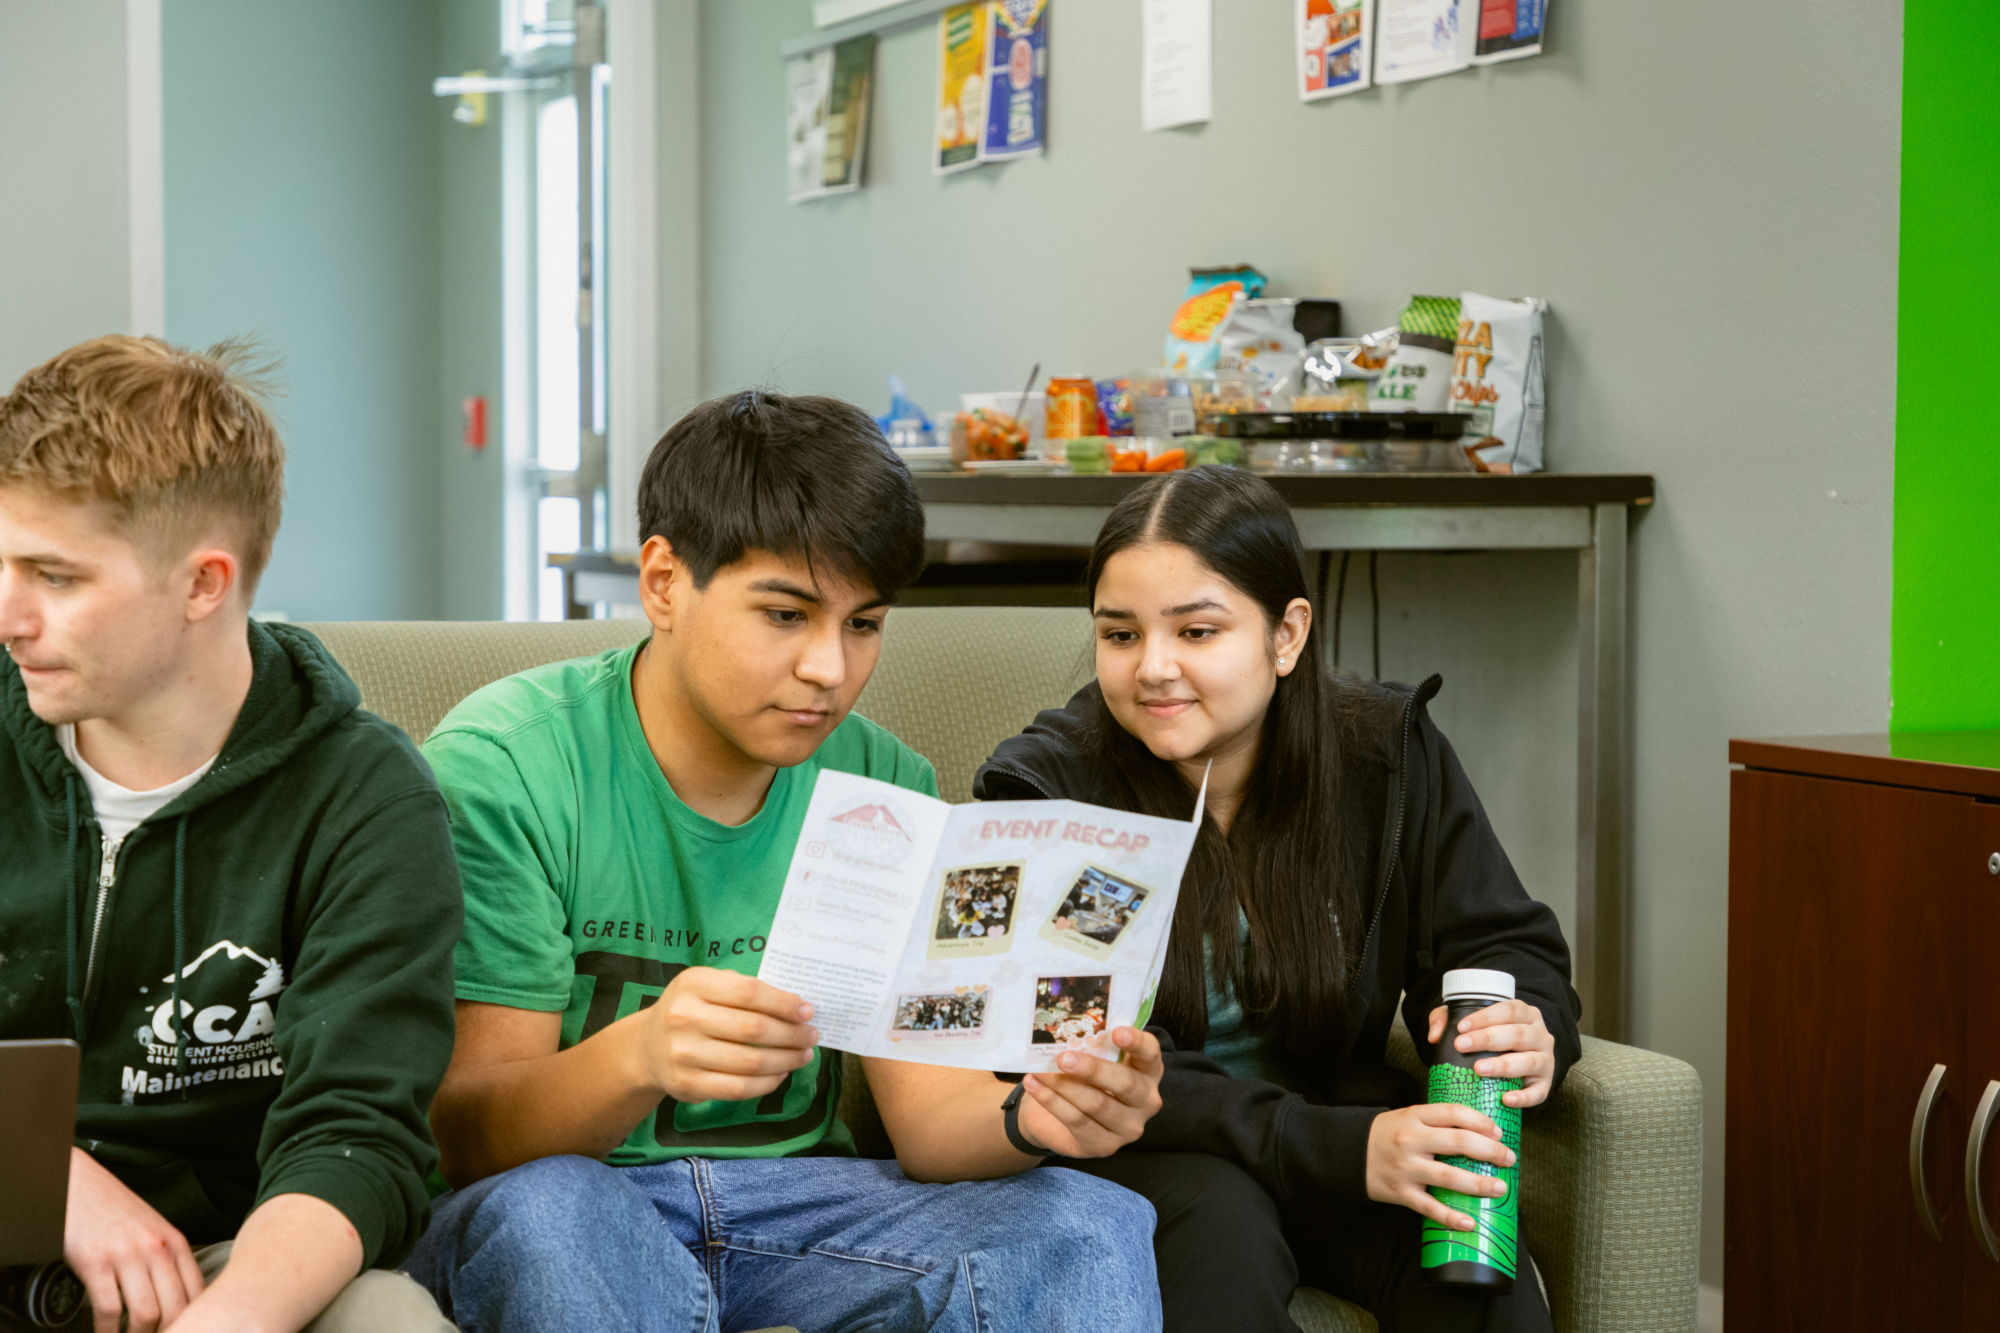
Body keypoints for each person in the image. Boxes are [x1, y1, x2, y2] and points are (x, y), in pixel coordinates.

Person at [405, 390, 1165, 1333]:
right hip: (568, 1200)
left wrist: (1036, 1116)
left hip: (808, 1208)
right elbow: (471, 1136)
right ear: (663, 583)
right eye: (785, 614)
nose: (829, 669)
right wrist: (639, 1055)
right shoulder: (510, 766)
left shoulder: (888, 781)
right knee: (553, 1216)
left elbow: (927, 1124)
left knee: (1089, 1222)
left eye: (863, 624)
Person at [973, 465, 1582, 1333]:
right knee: (1223, 1225)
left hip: (1337, 1128)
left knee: (1473, 1248)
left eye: (1197, 630)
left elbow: (1503, 939)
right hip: (1150, 1152)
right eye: (1120, 634)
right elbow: (1089, 1063)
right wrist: (1341, 1144)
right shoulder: (1056, 794)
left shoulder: (1382, 756)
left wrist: (1533, 1027)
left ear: (1286, 633)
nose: (1154, 668)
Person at [0, 336, 459, 1333]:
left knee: (389, 1320)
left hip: (218, 1264)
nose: (9, 614)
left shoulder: (368, 797)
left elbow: (357, 1136)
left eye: (55, 576)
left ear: (203, 584)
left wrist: (233, 1320)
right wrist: (56, 1178)